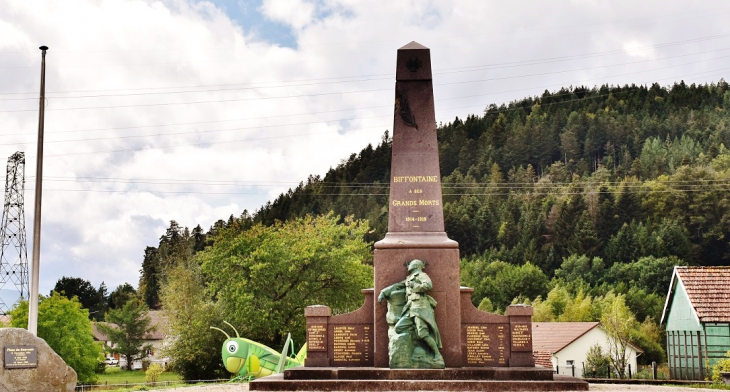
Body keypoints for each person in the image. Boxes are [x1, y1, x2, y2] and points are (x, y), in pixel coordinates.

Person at [378, 259, 443, 363]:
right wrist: (383, 292)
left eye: (411, 263)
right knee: (399, 328)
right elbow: (398, 285)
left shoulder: (421, 275)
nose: (408, 265)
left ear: (416, 265)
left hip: (420, 308)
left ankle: (437, 355)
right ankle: (416, 332)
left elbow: (429, 285)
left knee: (423, 334)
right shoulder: (409, 278)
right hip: (410, 309)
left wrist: (415, 286)